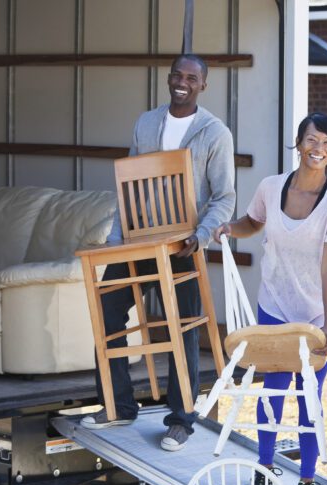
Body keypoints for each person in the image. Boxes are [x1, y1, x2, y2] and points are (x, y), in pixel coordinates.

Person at [81, 54, 236, 453]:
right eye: (177, 75)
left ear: (204, 85)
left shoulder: (214, 133)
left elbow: (224, 197)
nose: (182, 82)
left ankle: (180, 421)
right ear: (168, 79)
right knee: (108, 310)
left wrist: (201, 235)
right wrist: (116, 239)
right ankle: (118, 405)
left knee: (181, 326)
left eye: (192, 78)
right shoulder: (147, 123)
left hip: (183, 243)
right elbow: (127, 188)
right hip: (138, 240)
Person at [211, 112, 327, 485]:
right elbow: (253, 222)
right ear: (298, 142)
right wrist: (228, 229)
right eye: (312, 139)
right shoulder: (272, 188)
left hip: (313, 315)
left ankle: (307, 483)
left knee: (311, 399)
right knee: (273, 390)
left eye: (326, 143)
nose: (318, 149)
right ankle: (264, 469)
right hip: (273, 306)